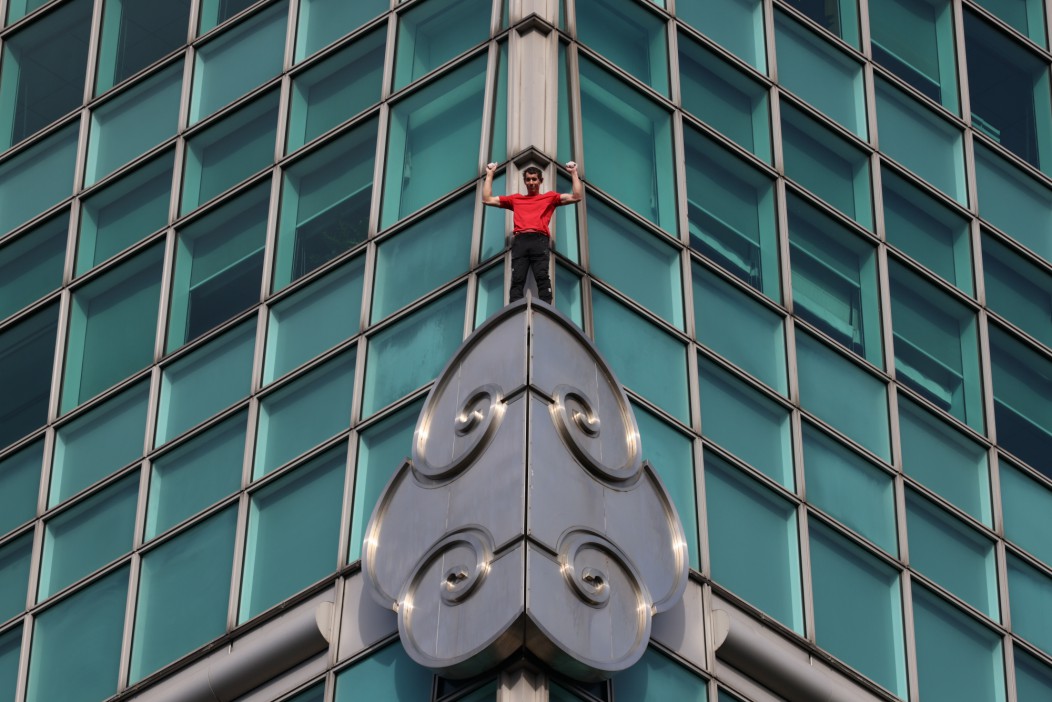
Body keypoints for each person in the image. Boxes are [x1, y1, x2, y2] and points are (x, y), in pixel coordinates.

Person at [481, 161, 583, 304]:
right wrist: (490, 174)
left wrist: (573, 173)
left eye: (534, 179)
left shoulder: (549, 197)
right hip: (520, 240)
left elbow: (577, 196)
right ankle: (514, 310)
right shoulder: (516, 199)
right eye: (528, 179)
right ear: (524, 182)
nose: (531, 182)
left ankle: (547, 310)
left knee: (541, 276)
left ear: (540, 181)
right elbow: (486, 199)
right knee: (517, 278)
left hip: (539, 239)